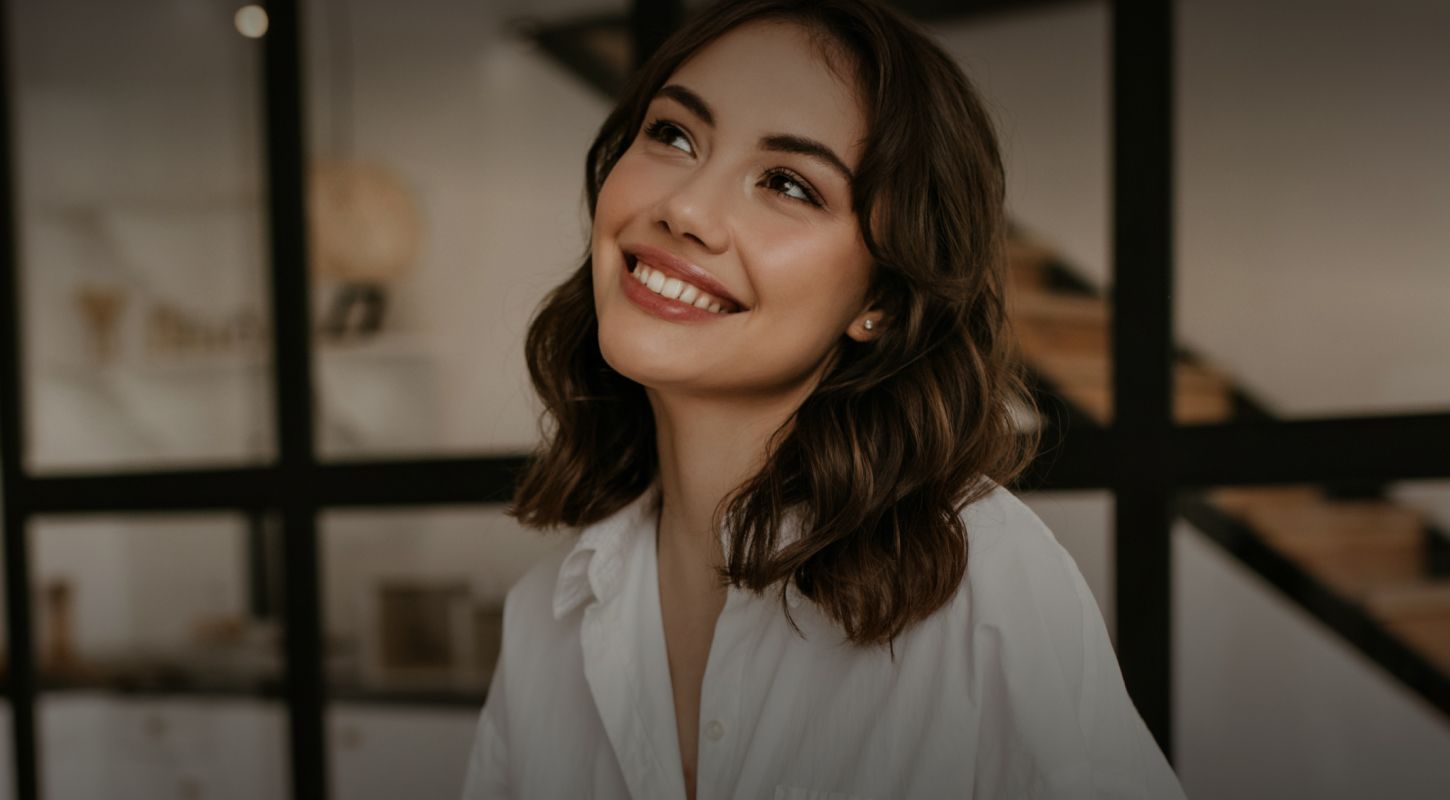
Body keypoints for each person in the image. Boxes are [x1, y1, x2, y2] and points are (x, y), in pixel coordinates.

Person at [463, 0, 1189, 797]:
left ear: (879, 297)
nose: (686, 209)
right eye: (673, 134)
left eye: (787, 183)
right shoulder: (546, 622)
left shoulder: (985, 584)